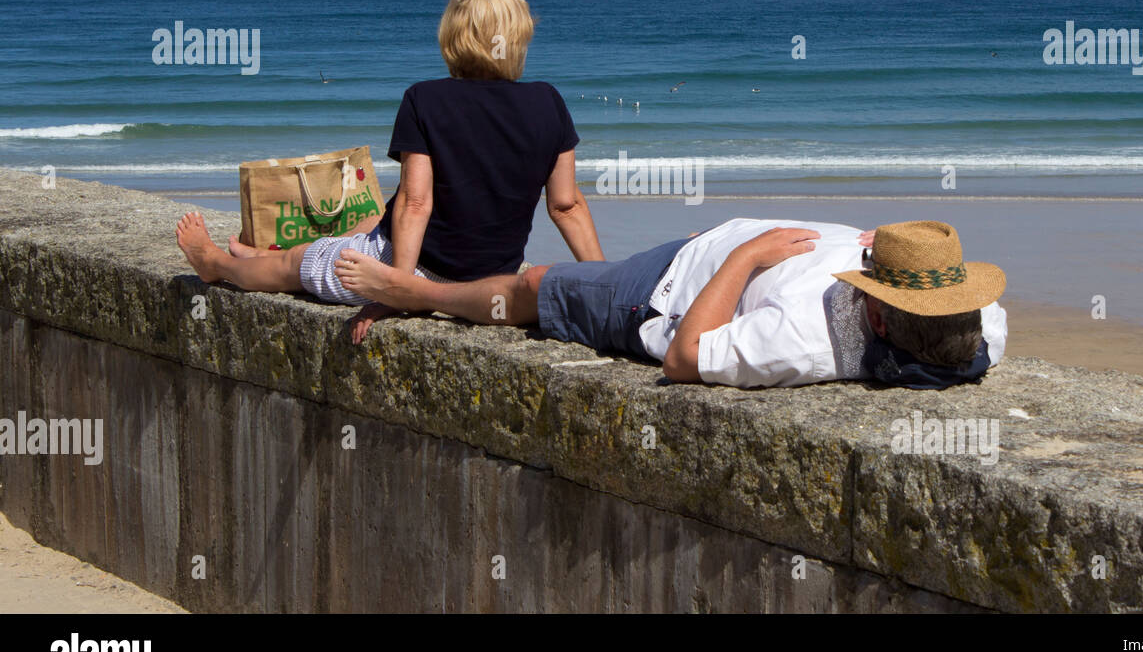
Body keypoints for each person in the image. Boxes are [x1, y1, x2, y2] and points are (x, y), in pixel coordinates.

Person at [176, 0, 603, 322]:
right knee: (377, 216)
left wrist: (397, 290)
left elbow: (417, 203)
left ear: (453, 39)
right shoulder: (548, 101)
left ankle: (216, 264)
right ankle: (259, 254)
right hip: (493, 279)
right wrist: (604, 281)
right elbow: (566, 206)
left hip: (420, 271)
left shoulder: (426, 99)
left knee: (294, 265)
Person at [331, 217, 1007, 388]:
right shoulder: (982, 331)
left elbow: (687, 357)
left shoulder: (805, 341)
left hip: (672, 288)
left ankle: (416, 291)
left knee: (539, 285)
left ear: (880, 316)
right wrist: (898, 242)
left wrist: (747, 256)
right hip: (715, 245)